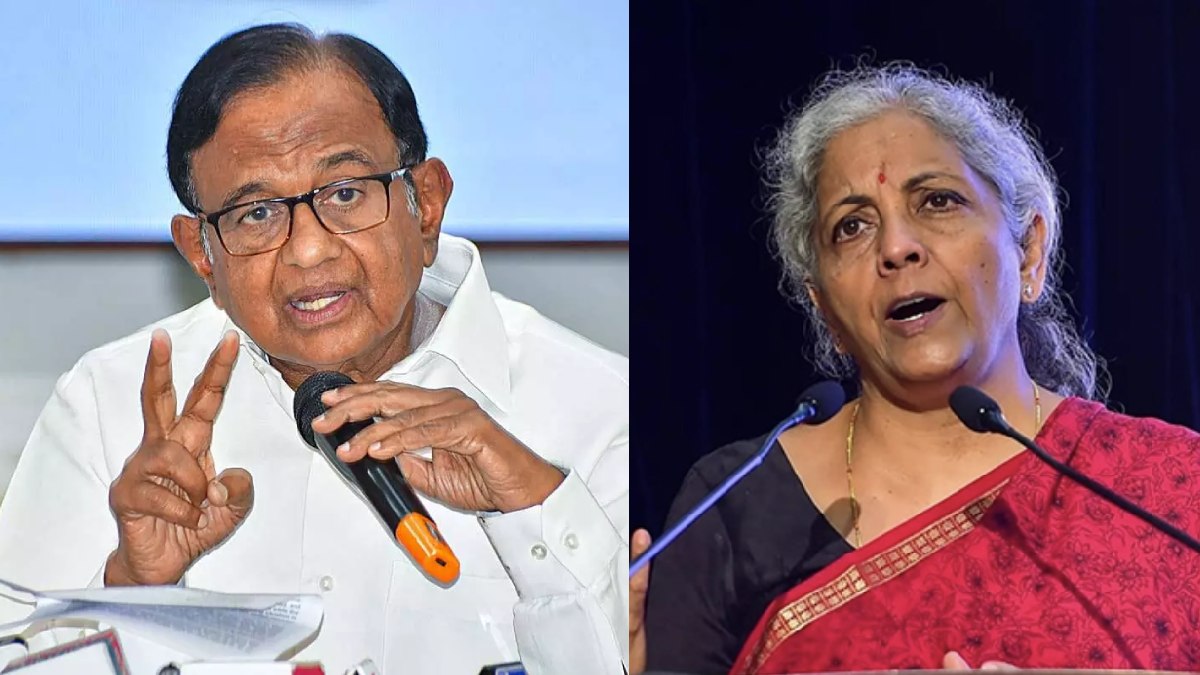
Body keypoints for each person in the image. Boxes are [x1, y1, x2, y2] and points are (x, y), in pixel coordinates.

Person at [0, 24, 629, 675]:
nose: (308, 250)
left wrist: (533, 506)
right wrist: (132, 585)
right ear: (202, 255)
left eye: (346, 193)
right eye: (256, 213)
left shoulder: (602, 408)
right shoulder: (105, 407)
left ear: (426, 205)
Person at [631, 64, 1200, 674]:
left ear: (1029, 251)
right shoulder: (733, 504)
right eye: (851, 227)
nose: (897, 247)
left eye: (937, 202)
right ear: (824, 308)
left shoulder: (1171, 489)